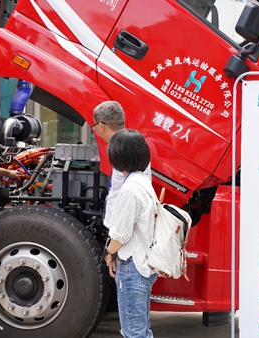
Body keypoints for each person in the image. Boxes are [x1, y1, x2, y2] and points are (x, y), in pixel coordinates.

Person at [102, 129, 159, 338]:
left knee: (133, 332)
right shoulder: (144, 183)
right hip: (143, 264)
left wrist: (108, 254)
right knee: (142, 331)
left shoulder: (130, 190)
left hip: (131, 267)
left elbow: (121, 235)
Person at [91, 101, 151, 232]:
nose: (95, 129)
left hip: (123, 230)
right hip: (129, 227)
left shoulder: (121, 148)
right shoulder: (132, 143)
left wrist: (113, 246)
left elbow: (125, 194)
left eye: (94, 125)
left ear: (101, 126)